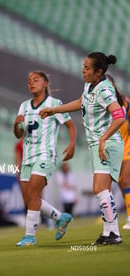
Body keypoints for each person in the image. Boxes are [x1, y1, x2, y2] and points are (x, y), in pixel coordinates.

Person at [40, 52, 125, 245]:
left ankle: (113, 233)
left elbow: (120, 116)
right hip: (99, 145)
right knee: (103, 191)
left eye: (87, 68)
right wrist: (54, 110)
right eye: (84, 66)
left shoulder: (104, 89)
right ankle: (109, 232)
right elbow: (81, 103)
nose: (83, 70)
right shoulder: (90, 86)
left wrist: (103, 140)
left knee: (100, 189)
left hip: (108, 145)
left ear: (99, 71)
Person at [13, 71, 76, 246]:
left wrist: (71, 144)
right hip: (27, 157)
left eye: (36, 80)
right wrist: (16, 124)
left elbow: (70, 125)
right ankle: (61, 217)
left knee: (33, 194)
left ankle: (29, 236)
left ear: (46, 83)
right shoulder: (24, 106)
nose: (31, 83)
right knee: (29, 200)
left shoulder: (54, 104)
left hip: (45, 155)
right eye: (29, 81)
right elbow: (19, 134)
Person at [106, 74, 130, 230]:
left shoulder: (125, 102)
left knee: (127, 180)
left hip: (127, 143)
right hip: (114, 148)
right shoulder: (102, 104)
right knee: (122, 184)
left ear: (113, 85)